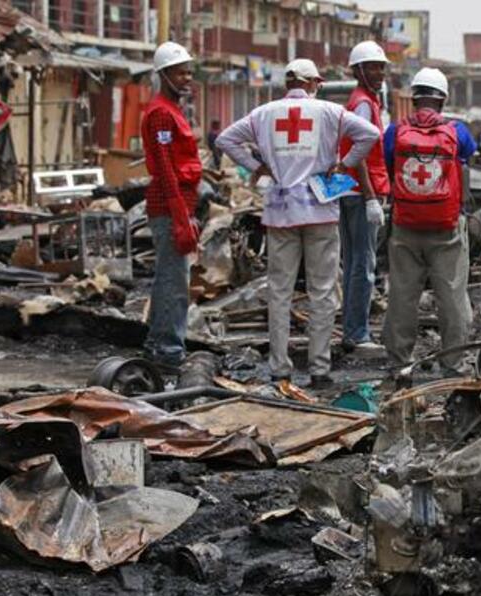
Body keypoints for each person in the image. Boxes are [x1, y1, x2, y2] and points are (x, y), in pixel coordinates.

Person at [216, 59, 380, 387]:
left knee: (279, 291)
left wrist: (257, 166)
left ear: (287, 83)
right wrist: (344, 164)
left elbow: (224, 140)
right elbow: (370, 134)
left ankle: (280, 368)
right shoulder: (329, 112)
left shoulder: (263, 114)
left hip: (280, 212)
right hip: (320, 211)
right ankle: (319, 369)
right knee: (322, 291)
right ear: (312, 83)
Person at [382, 67, 476, 384]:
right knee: (452, 296)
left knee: (402, 295)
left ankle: (399, 363)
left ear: (414, 97)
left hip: (405, 225)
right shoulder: (458, 131)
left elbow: (388, 164)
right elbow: (468, 155)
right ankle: (454, 364)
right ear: (442, 99)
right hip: (446, 228)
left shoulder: (395, 131)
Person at [140, 41, 202, 372]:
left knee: (170, 277)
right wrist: (180, 217)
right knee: (174, 282)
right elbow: (165, 169)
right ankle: (167, 350)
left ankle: (159, 343)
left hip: (176, 206)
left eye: (189, 72)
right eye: (180, 73)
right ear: (163, 75)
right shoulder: (162, 113)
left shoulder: (172, 110)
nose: (186, 78)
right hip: (169, 206)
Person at [338, 40, 390, 354]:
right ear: (358, 71)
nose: (380, 73)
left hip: (351, 189)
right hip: (360, 192)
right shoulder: (363, 104)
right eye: (373, 67)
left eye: (382, 67)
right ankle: (357, 334)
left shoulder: (364, 101)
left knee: (355, 262)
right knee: (363, 264)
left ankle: (352, 330)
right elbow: (360, 152)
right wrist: (371, 197)